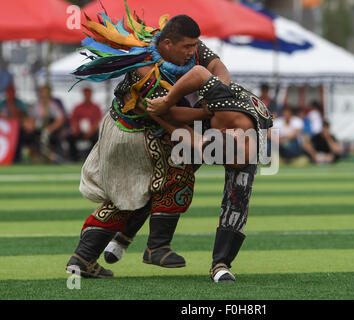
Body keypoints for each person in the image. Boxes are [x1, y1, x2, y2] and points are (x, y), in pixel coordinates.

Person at [65, 8, 230, 279]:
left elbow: (219, 70)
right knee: (175, 177)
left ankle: (83, 259)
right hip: (132, 134)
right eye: (187, 47)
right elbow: (170, 113)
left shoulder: (186, 47)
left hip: (146, 131)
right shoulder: (147, 71)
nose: (192, 51)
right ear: (167, 44)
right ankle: (157, 247)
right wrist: (209, 111)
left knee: (129, 198)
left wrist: (218, 91)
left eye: (194, 45)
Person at [146, 65, 273, 282]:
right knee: (170, 171)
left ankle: (220, 265)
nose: (230, 165)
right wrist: (160, 109)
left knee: (237, 203)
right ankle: (127, 236)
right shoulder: (219, 108)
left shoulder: (251, 151)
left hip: (239, 125)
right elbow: (197, 72)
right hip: (211, 117)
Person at [29, 85, 67, 163]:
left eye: (45, 93)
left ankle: (53, 157)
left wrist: (49, 129)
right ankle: (36, 158)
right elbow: (30, 119)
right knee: (31, 137)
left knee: (55, 138)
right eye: (41, 92)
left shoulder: (53, 105)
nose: (43, 95)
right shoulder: (36, 106)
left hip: (51, 130)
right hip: (38, 130)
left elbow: (60, 119)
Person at [67, 87, 103, 162]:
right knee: (70, 137)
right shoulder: (78, 107)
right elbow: (73, 120)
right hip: (79, 131)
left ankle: (94, 158)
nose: (87, 96)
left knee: (97, 139)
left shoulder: (96, 107)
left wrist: (91, 131)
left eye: (88, 94)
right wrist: (76, 128)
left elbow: (98, 121)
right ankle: (73, 158)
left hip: (92, 131)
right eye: (85, 94)